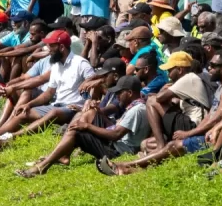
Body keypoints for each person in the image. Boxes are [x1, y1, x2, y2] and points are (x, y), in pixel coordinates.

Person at [15, 74, 148, 178]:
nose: (118, 96)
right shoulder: (135, 106)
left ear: (129, 93)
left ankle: (42, 167)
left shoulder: (137, 110)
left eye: (120, 93)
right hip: (115, 143)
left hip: (118, 151)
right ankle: (62, 156)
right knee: (87, 113)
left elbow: (115, 135)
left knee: (76, 131)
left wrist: (86, 127)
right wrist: (94, 113)